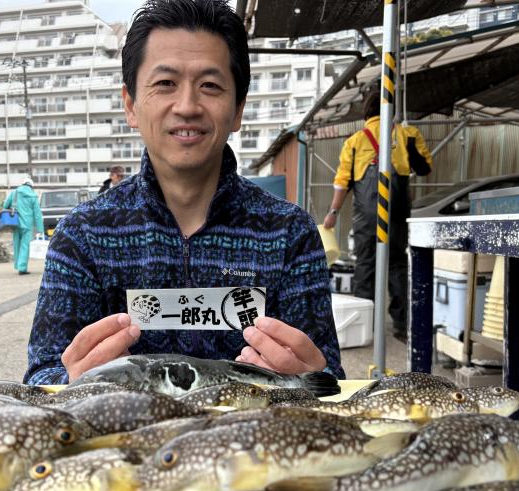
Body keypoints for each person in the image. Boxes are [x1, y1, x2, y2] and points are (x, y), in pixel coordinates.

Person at [25, 0, 343, 385]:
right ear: (130, 105)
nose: (188, 106)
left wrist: (313, 381)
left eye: (210, 85)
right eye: (165, 84)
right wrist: (67, 384)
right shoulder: (83, 236)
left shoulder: (289, 234)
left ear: (238, 109)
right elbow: (42, 376)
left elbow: (329, 377)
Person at [323, 93, 432, 342]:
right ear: (390, 112)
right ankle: (402, 326)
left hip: (367, 214)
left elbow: (342, 183)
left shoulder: (355, 140)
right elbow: (425, 168)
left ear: (366, 114)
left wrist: (333, 213)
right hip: (397, 211)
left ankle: (366, 326)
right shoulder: (407, 134)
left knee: (365, 265)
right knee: (397, 264)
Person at [2, 177, 43, 275]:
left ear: (23, 184)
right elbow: (37, 214)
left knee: (17, 244)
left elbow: (5, 206)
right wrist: (40, 229)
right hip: (28, 224)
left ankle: (17, 265)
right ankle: (22, 268)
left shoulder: (14, 193)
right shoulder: (33, 196)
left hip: (15, 222)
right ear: (31, 186)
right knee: (25, 246)